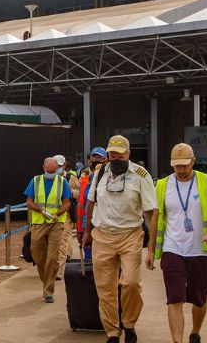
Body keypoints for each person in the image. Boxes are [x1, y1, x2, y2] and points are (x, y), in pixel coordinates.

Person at [147, 144, 207, 343]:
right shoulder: (163, 185)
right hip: (172, 249)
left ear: (193, 161)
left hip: (200, 251)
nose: (181, 170)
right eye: (177, 166)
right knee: (174, 299)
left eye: (184, 165)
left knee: (199, 299)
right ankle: (177, 341)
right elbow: (155, 217)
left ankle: (195, 332)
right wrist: (150, 250)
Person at [83, 135, 157, 343]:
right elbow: (91, 202)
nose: (114, 157)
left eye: (119, 153)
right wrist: (87, 232)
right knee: (105, 289)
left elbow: (151, 212)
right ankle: (113, 333)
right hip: (103, 236)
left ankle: (129, 323)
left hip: (130, 236)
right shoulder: (99, 173)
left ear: (128, 153)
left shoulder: (141, 176)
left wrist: (151, 249)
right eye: (111, 153)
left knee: (131, 283)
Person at [24, 157, 71, 303]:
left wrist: (57, 214)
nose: (51, 173)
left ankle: (48, 291)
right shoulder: (36, 181)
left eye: (53, 171)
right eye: (48, 171)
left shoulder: (62, 182)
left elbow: (66, 203)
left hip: (56, 223)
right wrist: (40, 210)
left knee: (52, 257)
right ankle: (47, 278)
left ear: (57, 169)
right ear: (43, 168)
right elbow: (29, 202)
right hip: (39, 222)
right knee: (37, 253)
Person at [77, 147, 108, 258]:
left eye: (99, 157)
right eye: (94, 156)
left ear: (105, 160)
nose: (96, 160)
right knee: (89, 261)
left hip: (105, 226)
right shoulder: (85, 180)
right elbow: (81, 206)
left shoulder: (110, 179)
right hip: (88, 226)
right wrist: (80, 229)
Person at [53, 154, 80, 280]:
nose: (57, 167)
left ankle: (59, 270)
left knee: (62, 241)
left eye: (59, 165)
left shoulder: (70, 178)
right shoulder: (47, 178)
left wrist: (68, 191)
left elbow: (79, 193)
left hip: (66, 214)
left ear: (63, 165)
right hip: (50, 215)